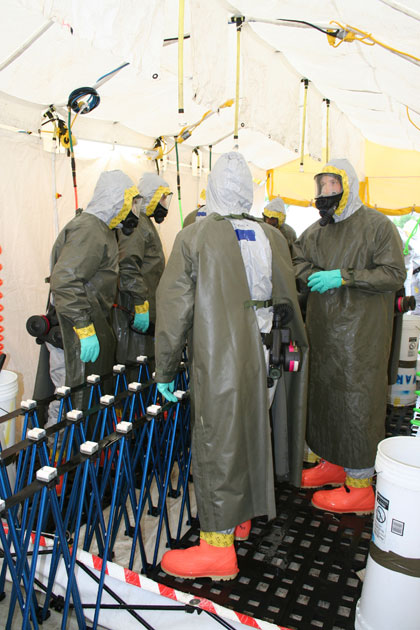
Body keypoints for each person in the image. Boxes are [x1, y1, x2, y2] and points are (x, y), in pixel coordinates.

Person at [154, 152, 308, 580]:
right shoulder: (272, 237)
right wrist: (291, 355)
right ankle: (241, 515)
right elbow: (288, 305)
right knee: (255, 430)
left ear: (212, 187)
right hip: (271, 354)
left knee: (218, 440)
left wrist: (165, 369)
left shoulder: (197, 236)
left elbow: (173, 308)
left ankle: (217, 547)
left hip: (222, 355)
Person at [293, 158, 406, 514]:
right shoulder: (314, 232)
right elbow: (296, 261)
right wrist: (310, 274)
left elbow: (393, 273)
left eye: (332, 185)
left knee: (357, 403)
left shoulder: (377, 226)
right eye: (321, 185)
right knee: (324, 400)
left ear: (348, 185)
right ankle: (332, 462)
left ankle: (359, 484)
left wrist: (345, 276)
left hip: (361, 339)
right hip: (324, 335)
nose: (325, 193)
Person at [33, 170, 140, 428]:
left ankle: (67, 456)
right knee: (69, 401)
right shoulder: (90, 229)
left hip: (83, 327)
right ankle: (56, 458)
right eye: (131, 202)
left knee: (77, 401)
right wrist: (83, 326)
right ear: (117, 200)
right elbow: (66, 280)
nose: (134, 210)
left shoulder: (100, 229)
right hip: (73, 330)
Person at [113, 172, 172, 373]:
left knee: (144, 364)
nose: (165, 204)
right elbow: (127, 265)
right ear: (151, 196)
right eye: (163, 197)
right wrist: (140, 304)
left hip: (145, 306)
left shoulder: (144, 223)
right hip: (135, 309)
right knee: (136, 366)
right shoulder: (137, 225)